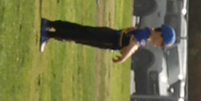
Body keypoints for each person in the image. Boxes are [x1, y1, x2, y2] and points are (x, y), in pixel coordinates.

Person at [37, 19, 175, 61]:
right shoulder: (145, 35)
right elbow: (133, 44)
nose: (159, 45)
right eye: (161, 43)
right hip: (109, 38)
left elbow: (130, 31)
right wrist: (123, 58)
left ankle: (51, 25)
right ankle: (48, 33)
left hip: (111, 37)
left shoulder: (146, 32)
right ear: (161, 34)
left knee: (81, 32)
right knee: (79, 36)